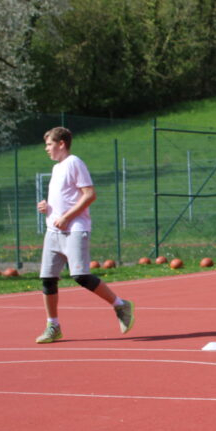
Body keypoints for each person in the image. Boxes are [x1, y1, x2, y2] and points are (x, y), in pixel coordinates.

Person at [35, 127, 134, 344]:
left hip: (75, 228)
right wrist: (46, 207)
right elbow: (64, 198)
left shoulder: (74, 162)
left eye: (49, 144)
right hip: (53, 231)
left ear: (61, 143)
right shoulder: (56, 168)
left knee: (80, 276)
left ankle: (120, 305)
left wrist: (67, 217)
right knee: (48, 280)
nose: (46, 149)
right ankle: (53, 326)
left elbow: (90, 195)